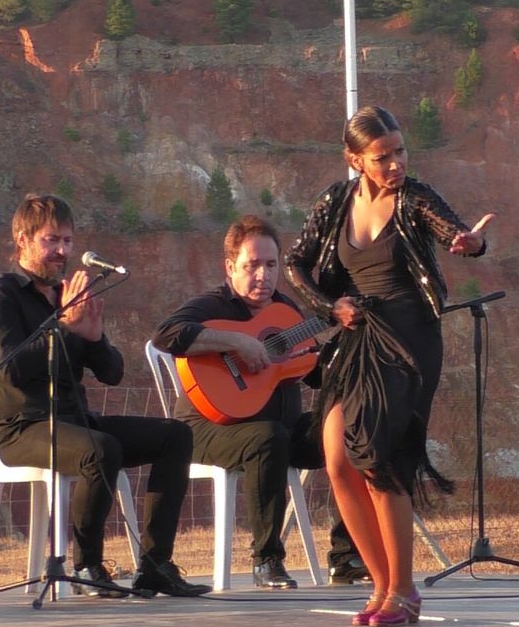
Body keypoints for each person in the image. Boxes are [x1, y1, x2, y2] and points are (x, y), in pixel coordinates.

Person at [285, 106, 493, 627]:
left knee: (378, 456)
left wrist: (470, 244)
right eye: (382, 157)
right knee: (336, 459)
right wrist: (329, 309)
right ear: (355, 159)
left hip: (408, 338)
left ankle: (404, 590)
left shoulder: (414, 196)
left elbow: (454, 232)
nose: (396, 164)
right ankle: (380, 587)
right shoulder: (335, 202)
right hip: (357, 335)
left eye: (400, 151)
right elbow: (296, 263)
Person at [0, 193, 210, 597]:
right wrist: (66, 327)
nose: (62, 251)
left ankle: (155, 566)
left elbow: (113, 373)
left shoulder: (69, 294)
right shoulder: (1, 295)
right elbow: (10, 368)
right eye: (51, 240)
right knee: (100, 450)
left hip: (76, 421)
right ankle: (87, 565)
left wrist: (95, 337)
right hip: (23, 427)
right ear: (22, 240)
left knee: (176, 435)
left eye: (67, 240)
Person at [152, 215, 364, 590]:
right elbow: (168, 335)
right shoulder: (213, 305)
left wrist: (342, 348)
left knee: (351, 426)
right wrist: (238, 342)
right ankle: (267, 560)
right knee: (268, 438)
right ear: (230, 267)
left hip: (280, 429)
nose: (263, 276)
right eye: (251, 266)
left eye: (271, 265)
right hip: (209, 428)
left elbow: (307, 369)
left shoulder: (285, 312)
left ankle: (346, 555)